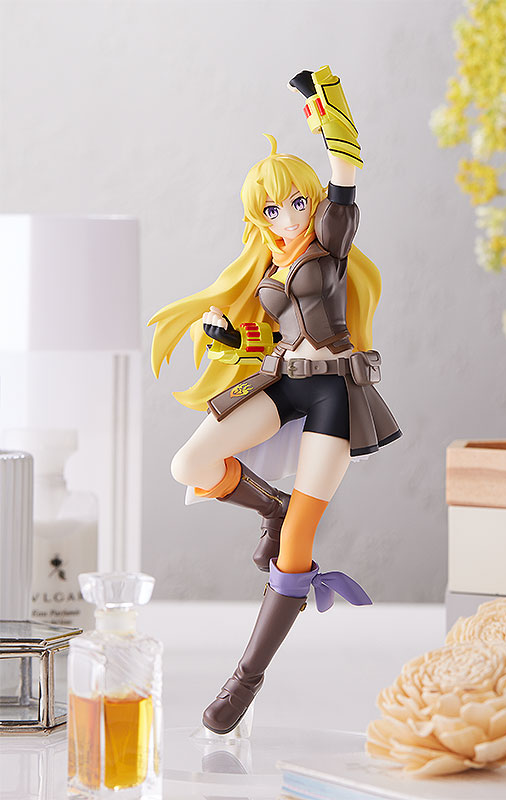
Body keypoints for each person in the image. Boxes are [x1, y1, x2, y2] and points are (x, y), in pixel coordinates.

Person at [149, 66, 401, 734]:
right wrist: (226, 335)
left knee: (297, 545)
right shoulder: (268, 265)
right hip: (281, 380)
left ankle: (245, 679)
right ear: (257, 218)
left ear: (312, 202)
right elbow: (266, 332)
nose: (288, 219)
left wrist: (326, 105)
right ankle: (272, 503)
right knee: (190, 464)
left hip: (335, 394)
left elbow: (347, 167)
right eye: (271, 210)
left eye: (296, 204)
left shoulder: (331, 244)